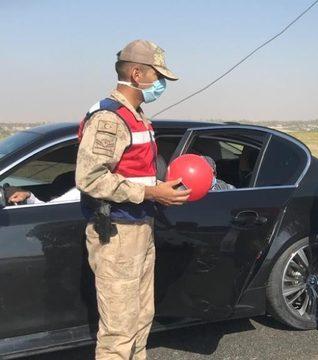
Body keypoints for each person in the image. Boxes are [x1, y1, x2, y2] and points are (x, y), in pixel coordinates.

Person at [75, 39, 191, 360]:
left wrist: (160, 187)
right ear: (137, 74)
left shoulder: (138, 116)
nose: (161, 84)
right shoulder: (109, 119)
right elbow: (91, 178)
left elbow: (134, 172)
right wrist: (153, 192)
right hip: (116, 234)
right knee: (119, 331)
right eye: (158, 76)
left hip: (140, 228)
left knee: (140, 320)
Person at [5, 186, 80, 205]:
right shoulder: (80, 190)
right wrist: (28, 195)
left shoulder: (80, 191)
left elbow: (51, 211)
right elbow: (50, 208)